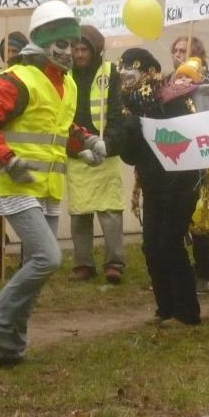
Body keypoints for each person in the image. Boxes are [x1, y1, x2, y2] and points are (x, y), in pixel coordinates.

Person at [0, 0, 105, 366]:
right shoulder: (16, 79)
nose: (68, 52)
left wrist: (86, 143)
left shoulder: (68, 84)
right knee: (48, 258)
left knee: (35, 267)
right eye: (60, 44)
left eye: (73, 45)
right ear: (42, 42)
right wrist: (8, 160)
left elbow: (57, 130)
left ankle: (9, 350)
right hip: (15, 185)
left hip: (47, 188)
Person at [119, 47, 202, 327]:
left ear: (148, 70)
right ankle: (165, 308)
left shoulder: (170, 98)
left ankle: (187, 312)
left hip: (181, 181)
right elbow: (130, 155)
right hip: (153, 184)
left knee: (170, 243)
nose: (125, 72)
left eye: (132, 66)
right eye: (122, 66)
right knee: (152, 246)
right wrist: (127, 132)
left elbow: (183, 138)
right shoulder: (129, 106)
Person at [67, 25, 126, 284]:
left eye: (84, 49)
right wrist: (76, 149)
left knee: (110, 211)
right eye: (75, 49)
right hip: (76, 153)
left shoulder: (111, 73)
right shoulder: (64, 75)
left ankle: (115, 263)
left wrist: (107, 145)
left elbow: (117, 115)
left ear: (96, 50)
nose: (79, 54)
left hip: (105, 152)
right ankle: (83, 263)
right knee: (79, 211)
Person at [169, 36, 209, 293]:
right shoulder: (168, 80)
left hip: (200, 154)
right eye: (176, 50)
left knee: (199, 213)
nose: (178, 55)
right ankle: (180, 271)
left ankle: (204, 270)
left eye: (184, 51)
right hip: (177, 152)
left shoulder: (207, 81)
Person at [0, 31, 29, 281]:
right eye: (7, 51)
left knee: (29, 210)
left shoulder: (32, 79)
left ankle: (28, 259)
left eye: (15, 50)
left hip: (25, 155)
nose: (10, 55)